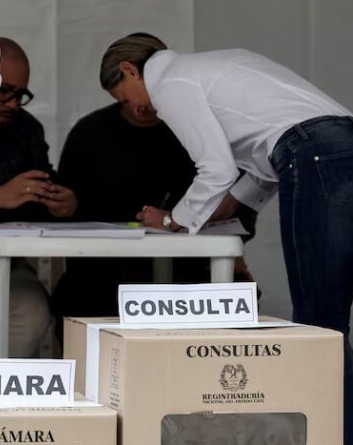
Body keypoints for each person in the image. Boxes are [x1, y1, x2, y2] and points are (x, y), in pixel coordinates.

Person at [102, 33, 353, 445]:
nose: (134, 108)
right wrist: (225, 208)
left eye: (124, 97)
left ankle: (335, 438)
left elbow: (216, 168)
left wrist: (173, 219)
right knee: (331, 321)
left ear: (130, 70)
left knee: (318, 323)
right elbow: (266, 158)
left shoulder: (170, 82)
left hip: (318, 157)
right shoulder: (212, 66)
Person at [50, 76, 257, 340]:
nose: (139, 108)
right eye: (125, 101)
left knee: (233, 294)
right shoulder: (90, 132)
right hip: (105, 267)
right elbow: (68, 211)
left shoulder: (196, 128)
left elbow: (236, 203)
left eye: (145, 98)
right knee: (79, 299)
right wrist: (66, 206)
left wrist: (231, 246)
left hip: (192, 265)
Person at [0, 37, 72, 356]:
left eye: (20, 94)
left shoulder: (26, 129)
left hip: (6, 265)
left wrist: (61, 203)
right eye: (4, 91)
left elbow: (39, 191)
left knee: (31, 311)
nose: (13, 104)